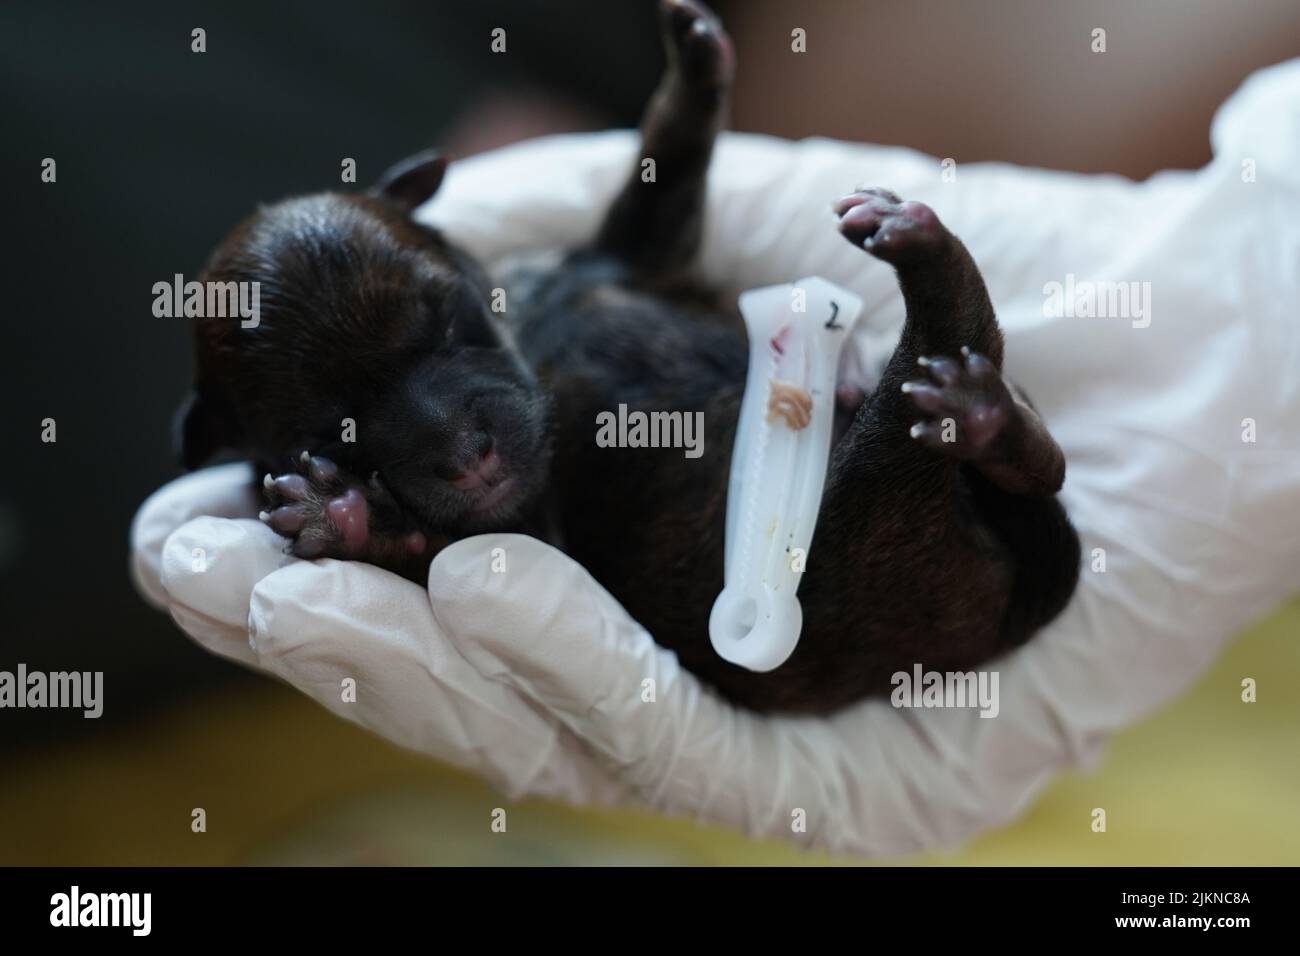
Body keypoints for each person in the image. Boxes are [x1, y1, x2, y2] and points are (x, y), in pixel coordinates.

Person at [131, 60, 1300, 857]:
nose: (451, 432)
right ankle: (962, 369)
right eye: (349, 436)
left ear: (438, 231)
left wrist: (685, 119)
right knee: (899, 455)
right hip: (799, 592)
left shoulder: (554, 288)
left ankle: (972, 394)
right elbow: (494, 558)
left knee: (917, 437)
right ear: (251, 451)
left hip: (880, 520)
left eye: (444, 334)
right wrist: (369, 536)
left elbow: (644, 242)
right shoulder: (494, 473)